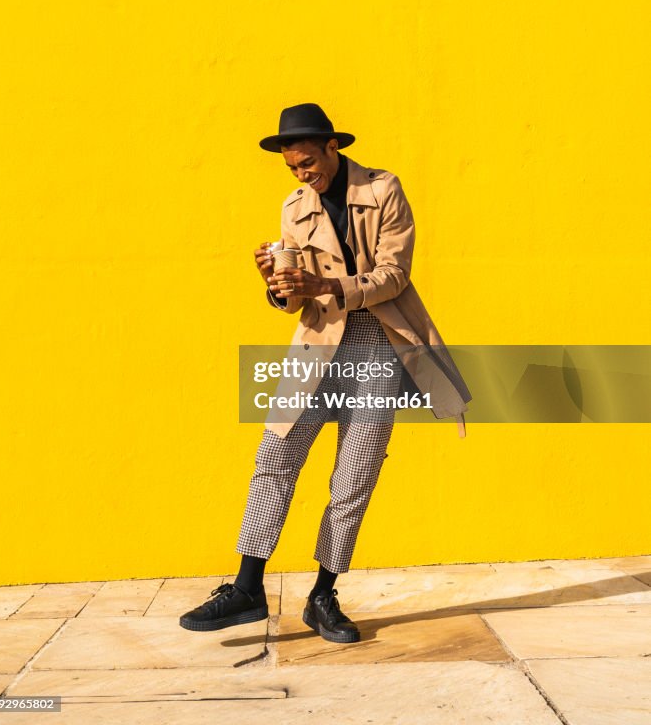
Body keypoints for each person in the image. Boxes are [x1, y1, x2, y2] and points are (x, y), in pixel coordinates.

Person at [180, 103, 471, 643]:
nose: (301, 173)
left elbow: (395, 275)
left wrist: (330, 287)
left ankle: (322, 595)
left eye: (308, 162)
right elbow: (292, 301)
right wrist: (275, 285)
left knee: (355, 476)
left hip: (379, 345)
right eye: (292, 167)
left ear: (332, 148)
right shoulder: (294, 206)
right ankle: (246, 588)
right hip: (316, 345)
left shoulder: (383, 189)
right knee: (276, 455)